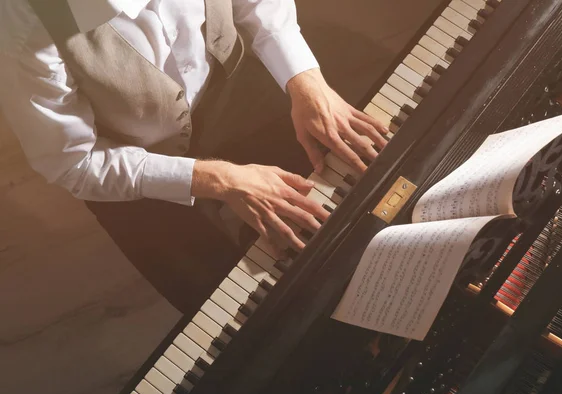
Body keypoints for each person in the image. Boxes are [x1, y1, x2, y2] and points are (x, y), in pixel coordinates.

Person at [0, 0, 389, 314]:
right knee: (252, 320)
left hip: (236, 91)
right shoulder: (23, 26)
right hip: (134, 165)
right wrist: (219, 180)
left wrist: (304, 78)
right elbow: (74, 161)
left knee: (365, 206)